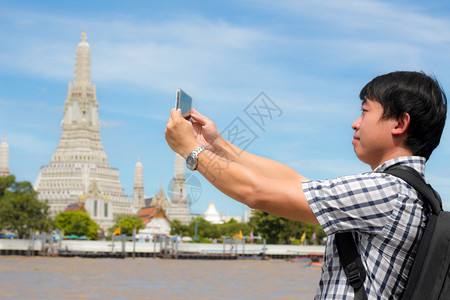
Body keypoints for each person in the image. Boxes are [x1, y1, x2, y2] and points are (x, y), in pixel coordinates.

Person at [165, 71, 447, 299]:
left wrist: (192, 152)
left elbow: (256, 193)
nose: (354, 123)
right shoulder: (413, 193)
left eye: (364, 112)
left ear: (399, 123)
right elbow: (293, 182)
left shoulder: (384, 191)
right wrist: (217, 145)